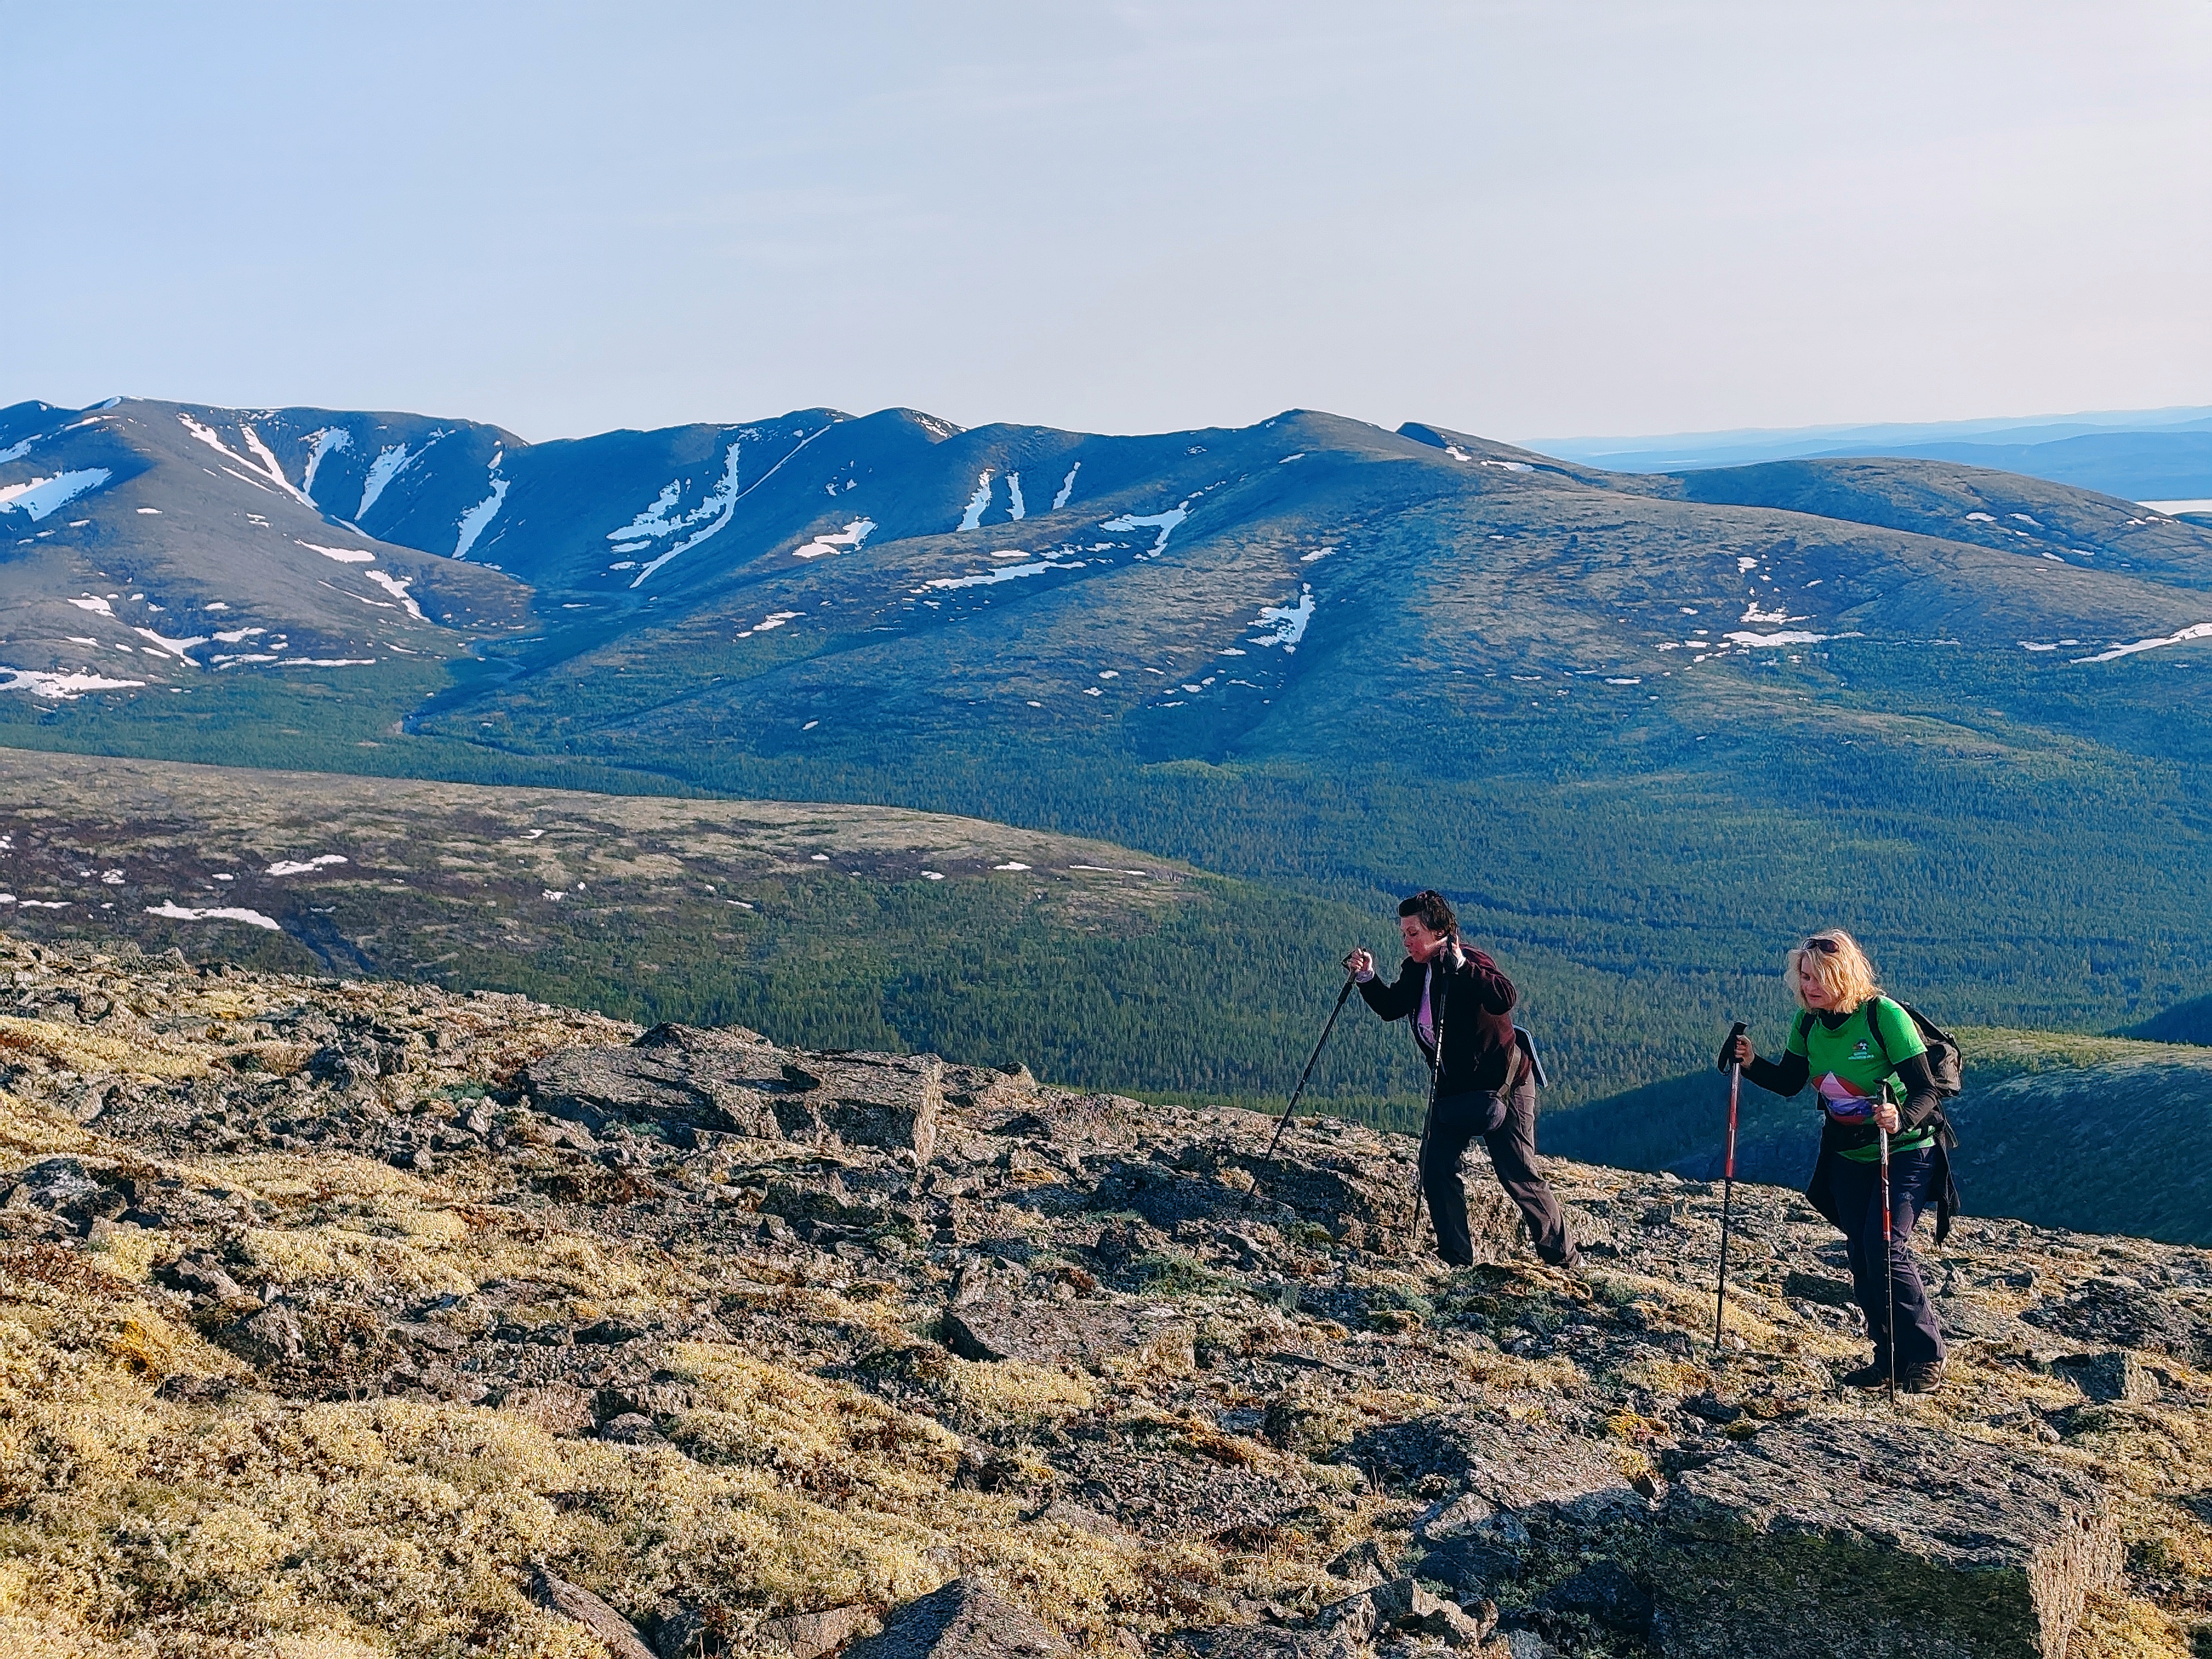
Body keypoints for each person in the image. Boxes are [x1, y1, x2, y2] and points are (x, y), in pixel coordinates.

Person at [1729, 929, 1957, 1392]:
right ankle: (1888, 1358)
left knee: (1884, 1246)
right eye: (1804, 976)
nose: (1809, 986)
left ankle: (1926, 1354)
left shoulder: (1883, 1016)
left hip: (1905, 1150)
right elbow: (1790, 1081)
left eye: (1819, 977)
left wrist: (1900, 1117)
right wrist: (1751, 1062)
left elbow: (1926, 1090)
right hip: (1849, 1153)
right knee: (1862, 1252)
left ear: (1845, 974)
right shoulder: (1808, 1022)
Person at [1345, 890, 1576, 1270]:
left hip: (1505, 1085)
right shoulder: (1416, 969)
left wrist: (1465, 968)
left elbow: (1505, 997)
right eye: (1404, 933)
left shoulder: (1470, 961)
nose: (1406, 941)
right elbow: (1391, 1007)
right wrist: (1367, 977)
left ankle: (1562, 1260)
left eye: (1413, 933)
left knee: (1518, 1174)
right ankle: (1456, 1258)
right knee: (1435, 1167)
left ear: (1439, 931)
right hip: (1454, 1087)